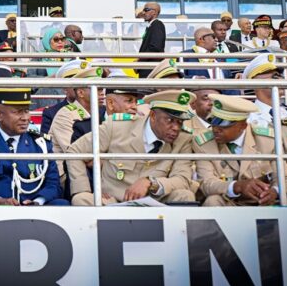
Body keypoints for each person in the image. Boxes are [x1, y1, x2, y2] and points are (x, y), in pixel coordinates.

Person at [66, 90, 196, 205]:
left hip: (156, 203)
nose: (176, 128)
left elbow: (182, 179)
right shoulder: (117, 127)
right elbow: (75, 151)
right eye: (169, 120)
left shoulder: (183, 140)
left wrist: (150, 183)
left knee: (185, 196)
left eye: (180, 122)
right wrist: (85, 189)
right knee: (81, 199)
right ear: (153, 116)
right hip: (113, 201)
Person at [0, 88, 67, 206]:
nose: (25, 118)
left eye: (26, 111)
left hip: (34, 209)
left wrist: (38, 201)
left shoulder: (41, 144)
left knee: (61, 204)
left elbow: (54, 185)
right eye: (17, 112)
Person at [193, 94, 287, 206]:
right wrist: (236, 186)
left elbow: (285, 177)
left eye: (224, 124)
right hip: (230, 202)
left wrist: (275, 192)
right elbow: (206, 182)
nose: (215, 129)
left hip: (263, 201)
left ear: (243, 126)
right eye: (213, 122)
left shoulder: (268, 140)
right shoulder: (204, 144)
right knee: (213, 201)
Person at [48, 67, 106, 185]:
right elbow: (75, 154)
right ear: (80, 93)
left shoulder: (101, 112)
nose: (102, 93)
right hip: (67, 176)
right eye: (97, 89)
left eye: (102, 89)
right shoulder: (65, 115)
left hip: (93, 171)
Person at [243, 53, 287, 128]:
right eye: (275, 76)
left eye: (280, 75)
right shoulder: (248, 119)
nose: (280, 79)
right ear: (255, 82)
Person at [40, 60, 85, 134]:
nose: (79, 88)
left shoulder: (99, 110)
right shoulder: (51, 113)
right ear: (65, 88)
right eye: (75, 84)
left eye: (83, 84)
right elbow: (47, 140)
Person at [136, 2, 166, 78]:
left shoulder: (157, 24)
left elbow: (155, 47)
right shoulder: (151, 26)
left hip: (151, 68)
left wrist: (140, 61)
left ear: (154, 12)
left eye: (146, 10)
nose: (143, 13)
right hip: (148, 66)